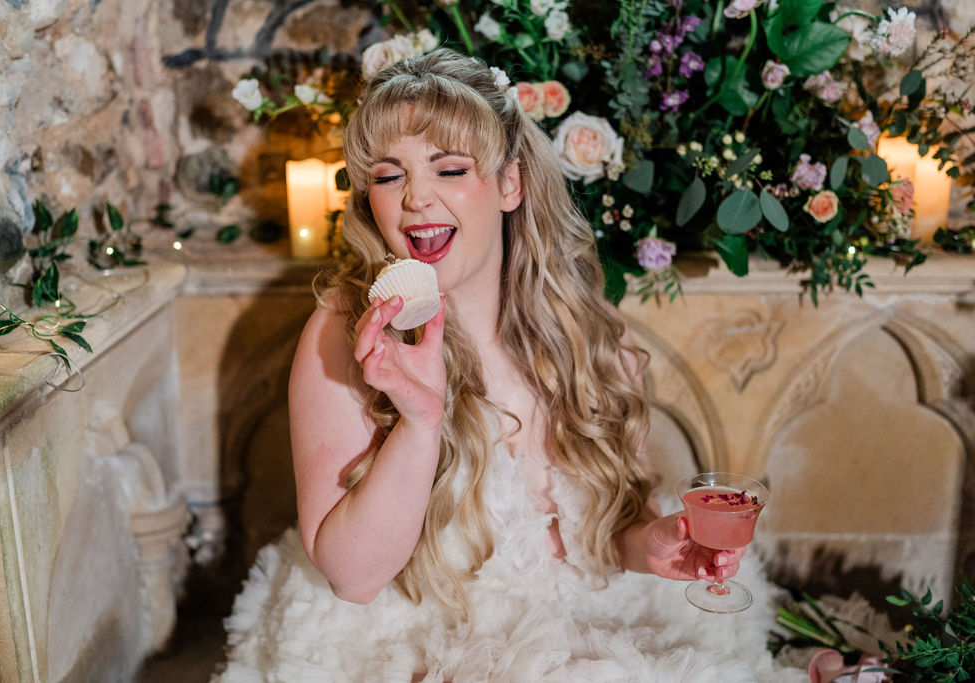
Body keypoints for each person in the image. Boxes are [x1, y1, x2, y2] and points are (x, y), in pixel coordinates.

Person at [216, 48, 805, 682]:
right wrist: (419, 421)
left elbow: (607, 532)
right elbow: (355, 578)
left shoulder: (585, 333)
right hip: (414, 637)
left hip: (585, 620)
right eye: (389, 176)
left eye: (449, 169)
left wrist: (652, 546)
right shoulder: (346, 334)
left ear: (510, 183)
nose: (416, 198)